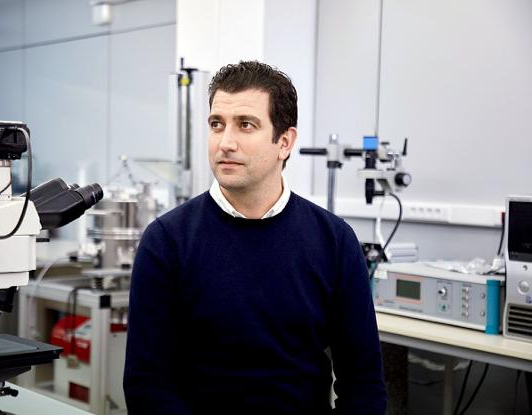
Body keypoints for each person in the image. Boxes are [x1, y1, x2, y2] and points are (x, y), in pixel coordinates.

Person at [123, 61, 387, 414]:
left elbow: (364, 383)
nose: (225, 143)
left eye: (245, 125)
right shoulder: (167, 241)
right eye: (217, 125)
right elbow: (147, 385)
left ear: (284, 142)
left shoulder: (334, 241)